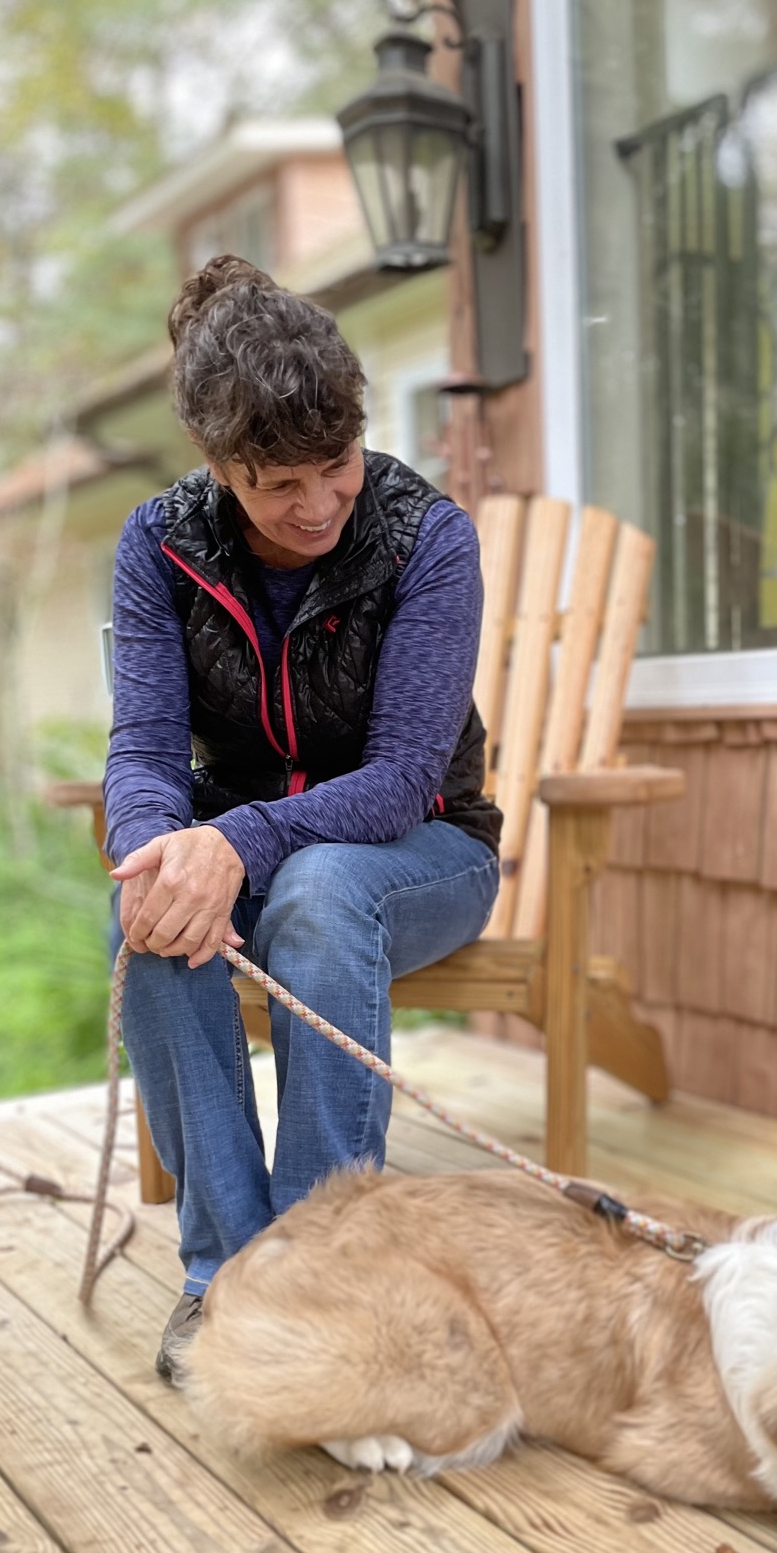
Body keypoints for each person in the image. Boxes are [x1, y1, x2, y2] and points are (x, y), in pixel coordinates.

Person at [102, 255, 501, 1382]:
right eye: (282, 482)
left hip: (420, 849)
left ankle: (328, 1270)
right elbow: (141, 752)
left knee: (322, 894)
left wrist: (235, 844)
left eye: (338, 465)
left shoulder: (428, 539)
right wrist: (160, 852)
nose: (320, 502)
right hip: (248, 845)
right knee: (150, 909)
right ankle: (228, 1279)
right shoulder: (159, 547)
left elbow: (404, 776)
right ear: (221, 466)